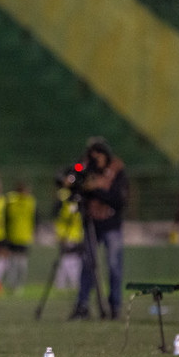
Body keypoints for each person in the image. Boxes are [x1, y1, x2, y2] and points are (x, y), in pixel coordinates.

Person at [69, 137, 128, 320]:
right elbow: (74, 181)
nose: (96, 161)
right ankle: (83, 304)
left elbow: (119, 199)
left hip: (111, 224)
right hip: (91, 223)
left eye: (98, 156)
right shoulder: (86, 168)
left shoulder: (117, 170)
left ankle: (114, 306)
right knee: (88, 264)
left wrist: (95, 190)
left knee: (113, 265)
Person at [5, 181, 36, 293]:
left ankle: (19, 285)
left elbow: (35, 218)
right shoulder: (12, 202)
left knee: (21, 263)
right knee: (13, 262)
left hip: (25, 236)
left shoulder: (29, 202)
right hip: (13, 236)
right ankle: (12, 284)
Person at [53, 184, 83, 290]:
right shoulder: (65, 197)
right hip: (67, 234)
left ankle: (62, 284)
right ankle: (68, 283)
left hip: (75, 234)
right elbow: (60, 217)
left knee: (71, 259)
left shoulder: (76, 196)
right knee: (69, 259)